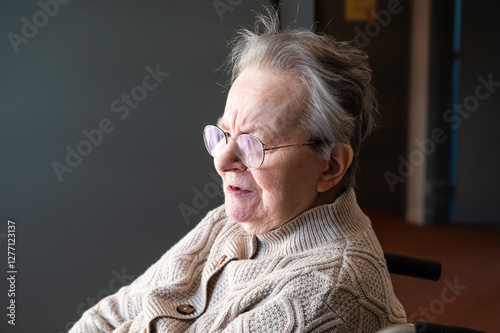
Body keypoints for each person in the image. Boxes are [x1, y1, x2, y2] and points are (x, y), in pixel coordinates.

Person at [70, 9, 407, 333]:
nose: (222, 162)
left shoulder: (323, 296)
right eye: (225, 134)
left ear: (330, 167)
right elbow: (115, 310)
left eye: (255, 144)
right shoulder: (239, 220)